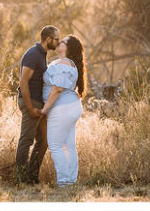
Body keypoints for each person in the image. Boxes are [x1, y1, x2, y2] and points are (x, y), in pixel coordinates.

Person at [15, 25, 59, 184]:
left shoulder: (41, 55)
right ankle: (20, 180)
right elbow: (23, 81)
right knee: (26, 139)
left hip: (38, 103)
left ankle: (31, 178)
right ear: (48, 39)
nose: (58, 42)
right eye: (56, 39)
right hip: (30, 101)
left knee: (44, 140)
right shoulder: (33, 55)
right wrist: (30, 107)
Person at [40, 34, 85, 187]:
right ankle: (70, 181)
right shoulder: (61, 63)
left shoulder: (65, 62)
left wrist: (45, 109)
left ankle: (64, 182)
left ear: (70, 47)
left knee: (55, 145)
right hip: (70, 107)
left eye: (64, 41)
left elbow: (58, 88)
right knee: (68, 145)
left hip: (62, 108)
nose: (60, 42)